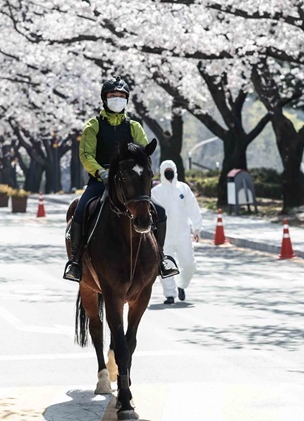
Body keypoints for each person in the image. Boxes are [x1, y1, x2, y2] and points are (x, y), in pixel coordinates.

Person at [63, 77, 179, 283]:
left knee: (159, 211)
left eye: (121, 96)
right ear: (104, 99)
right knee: (80, 211)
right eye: (113, 96)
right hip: (101, 180)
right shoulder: (93, 125)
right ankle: (76, 261)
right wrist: (101, 172)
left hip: (129, 182)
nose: (117, 99)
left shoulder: (134, 126)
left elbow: (143, 152)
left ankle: (161, 258)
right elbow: (86, 154)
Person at [151, 159, 202, 304]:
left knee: (189, 265)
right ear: (161, 173)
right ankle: (170, 294)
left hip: (183, 234)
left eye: (171, 171)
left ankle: (182, 285)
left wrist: (196, 228)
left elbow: (193, 208)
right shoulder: (155, 192)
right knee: (166, 265)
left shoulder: (183, 189)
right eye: (166, 172)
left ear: (175, 171)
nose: (169, 174)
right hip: (164, 236)